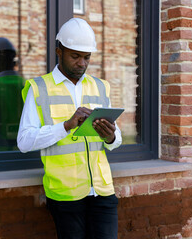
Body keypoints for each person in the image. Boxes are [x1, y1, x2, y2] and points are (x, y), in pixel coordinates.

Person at [17, 18, 122, 239]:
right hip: (65, 195)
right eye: (75, 56)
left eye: (86, 57)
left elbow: (116, 140)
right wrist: (66, 126)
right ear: (59, 51)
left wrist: (111, 136)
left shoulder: (101, 87)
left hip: (102, 191)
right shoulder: (39, 89)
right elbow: (24, 142)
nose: (82, 63)